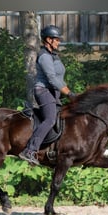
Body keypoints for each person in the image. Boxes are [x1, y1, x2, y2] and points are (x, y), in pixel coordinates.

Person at [19, 25, 76, 165]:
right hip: (43, 91)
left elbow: (59, 79)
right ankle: (30, 150)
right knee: (50, 119)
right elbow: (51, 79)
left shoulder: (53, 56)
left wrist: (68, 93)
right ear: (48, 40)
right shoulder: (44, 56)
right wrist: (69, 93)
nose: (59, 42)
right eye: (56, 40)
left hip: (54, 92)